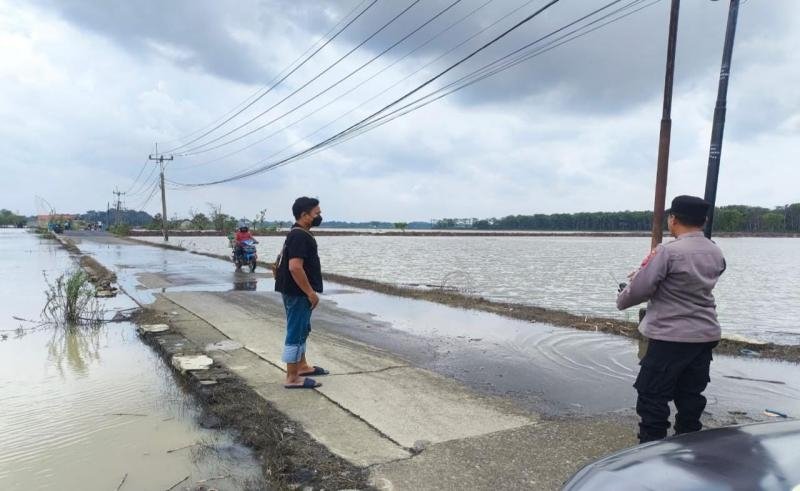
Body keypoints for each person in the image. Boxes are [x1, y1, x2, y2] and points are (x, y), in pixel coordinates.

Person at [617, 195, 726, 443]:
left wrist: (622, 298)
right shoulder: (715, 251)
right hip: (704, 334)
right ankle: (688, 443)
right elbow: (693, 280)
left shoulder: (668, 251)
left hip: (669, 336)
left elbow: (639, 290)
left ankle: (651, 448)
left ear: (673, 219)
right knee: (690, 394)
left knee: (652, 395)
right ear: (704, 220)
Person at [274, 197, 328, 389]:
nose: (319, 216)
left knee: (302, 329)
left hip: (295, 291)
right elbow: (295, 267)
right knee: (296, 331)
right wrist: (310, 293)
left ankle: (302, 366)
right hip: (298, 293)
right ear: (304, 215)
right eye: (317, 214)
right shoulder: (300, 236)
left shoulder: (298, 233)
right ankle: (292, 377)